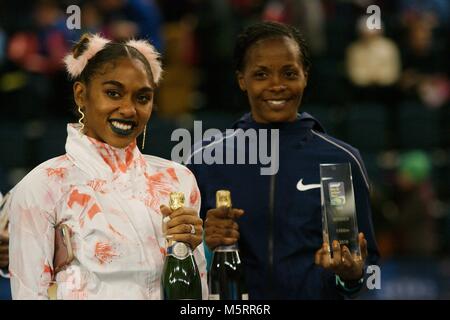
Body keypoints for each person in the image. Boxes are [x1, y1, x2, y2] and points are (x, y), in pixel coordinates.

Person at [6, 33, 207, 299]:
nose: (128, 109)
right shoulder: (42, 187)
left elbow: (198, 298)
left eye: (142, 98)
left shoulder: (178, 181)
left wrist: (190, 250)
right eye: (113, 93)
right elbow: (29, 294)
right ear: (81, 94)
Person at [187, 21, 379, 299]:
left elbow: (365, 266)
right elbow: (175, 261)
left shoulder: (341, 159)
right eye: (261, 74)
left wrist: (351, 275)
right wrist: (205, 244)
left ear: (305, 76)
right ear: (242, 79)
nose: (276, 85)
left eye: (289, 73)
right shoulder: (204, 159)